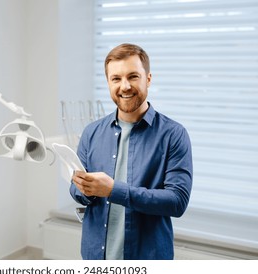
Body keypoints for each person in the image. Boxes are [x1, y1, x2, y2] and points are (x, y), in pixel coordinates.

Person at [70, 43, 193, 260]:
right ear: (108, 82)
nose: (124, 86)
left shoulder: (174, 134)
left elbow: (177, 201)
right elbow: (76, 191)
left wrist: (112, 190)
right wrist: (84, 189)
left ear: (148, 78)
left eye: (133, 76)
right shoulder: (91, 133)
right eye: (116, 78)